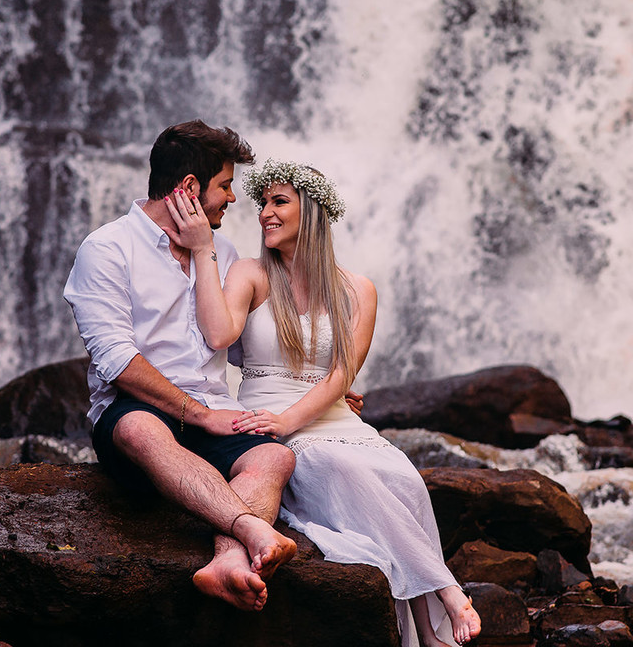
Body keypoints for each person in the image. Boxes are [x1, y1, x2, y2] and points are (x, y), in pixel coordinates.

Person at [165, 158, 483, 647]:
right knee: (346, 471)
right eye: (262, 203)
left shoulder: (358, 289)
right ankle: (448, 591)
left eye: (279, 202)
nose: (265, 213)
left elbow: (341, 375)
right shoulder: (250, 273)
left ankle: (427, 634)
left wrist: (291, 416)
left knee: (404, 481)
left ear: (311, 210)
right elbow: (217, 333)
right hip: (273, 420)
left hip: (328, 416)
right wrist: (204, 250)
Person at [62, 121, 299, 613]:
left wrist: (313, 386)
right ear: (190, 189)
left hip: (212, 409)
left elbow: (244, 350)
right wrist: (196, 413)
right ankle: (251, 528)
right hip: (139, 410)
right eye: (225, 186)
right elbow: (116, 360)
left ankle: (229, 562)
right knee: (143, 433)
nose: (233, 199)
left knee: (275, 458)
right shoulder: (107, 248)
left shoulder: (222, 252)